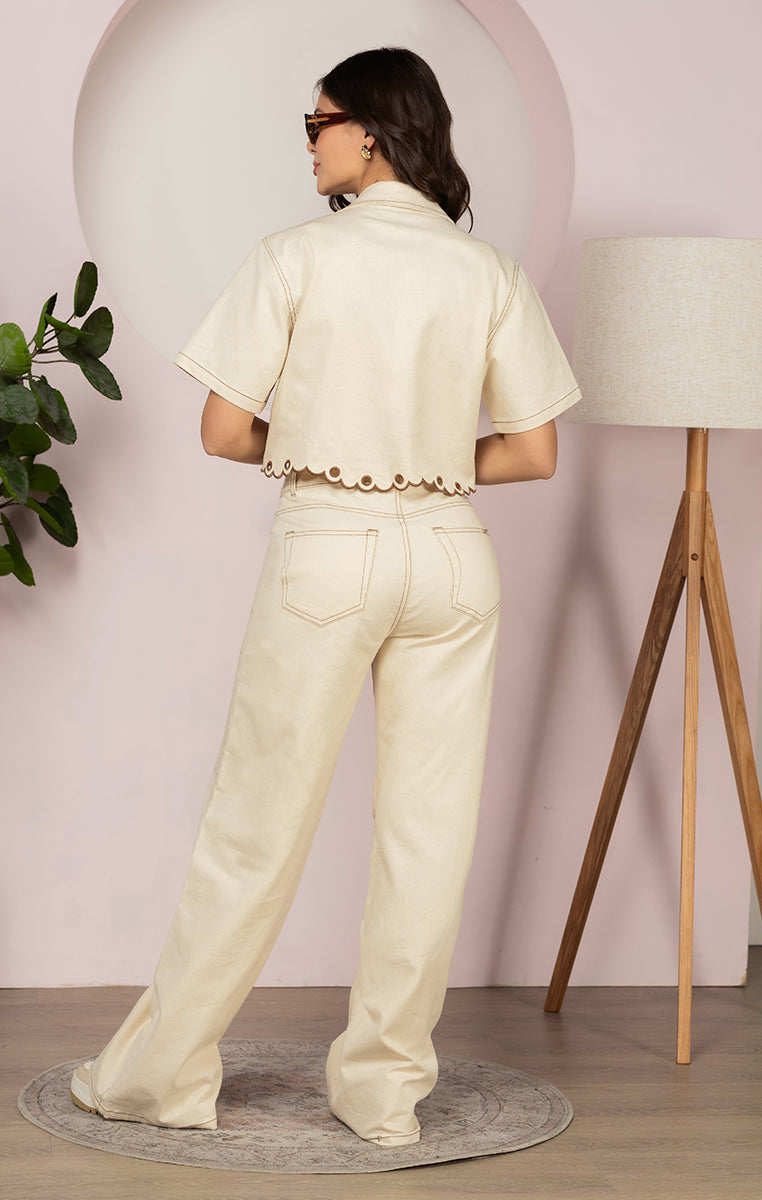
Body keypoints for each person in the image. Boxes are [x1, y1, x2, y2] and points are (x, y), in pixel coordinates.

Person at [69, 46, 580, 1148]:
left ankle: (159, 1079)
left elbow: (222, 433)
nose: (306, 144)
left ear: (372, 133)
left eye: (317, 124)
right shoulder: (487, 272)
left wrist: (329, 446)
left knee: (253, 828)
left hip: (328, 551)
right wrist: (423, 458)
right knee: (428, 834)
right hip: (453, 557)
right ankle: (385, 1094)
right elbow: (534, 452)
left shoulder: (295, 257)